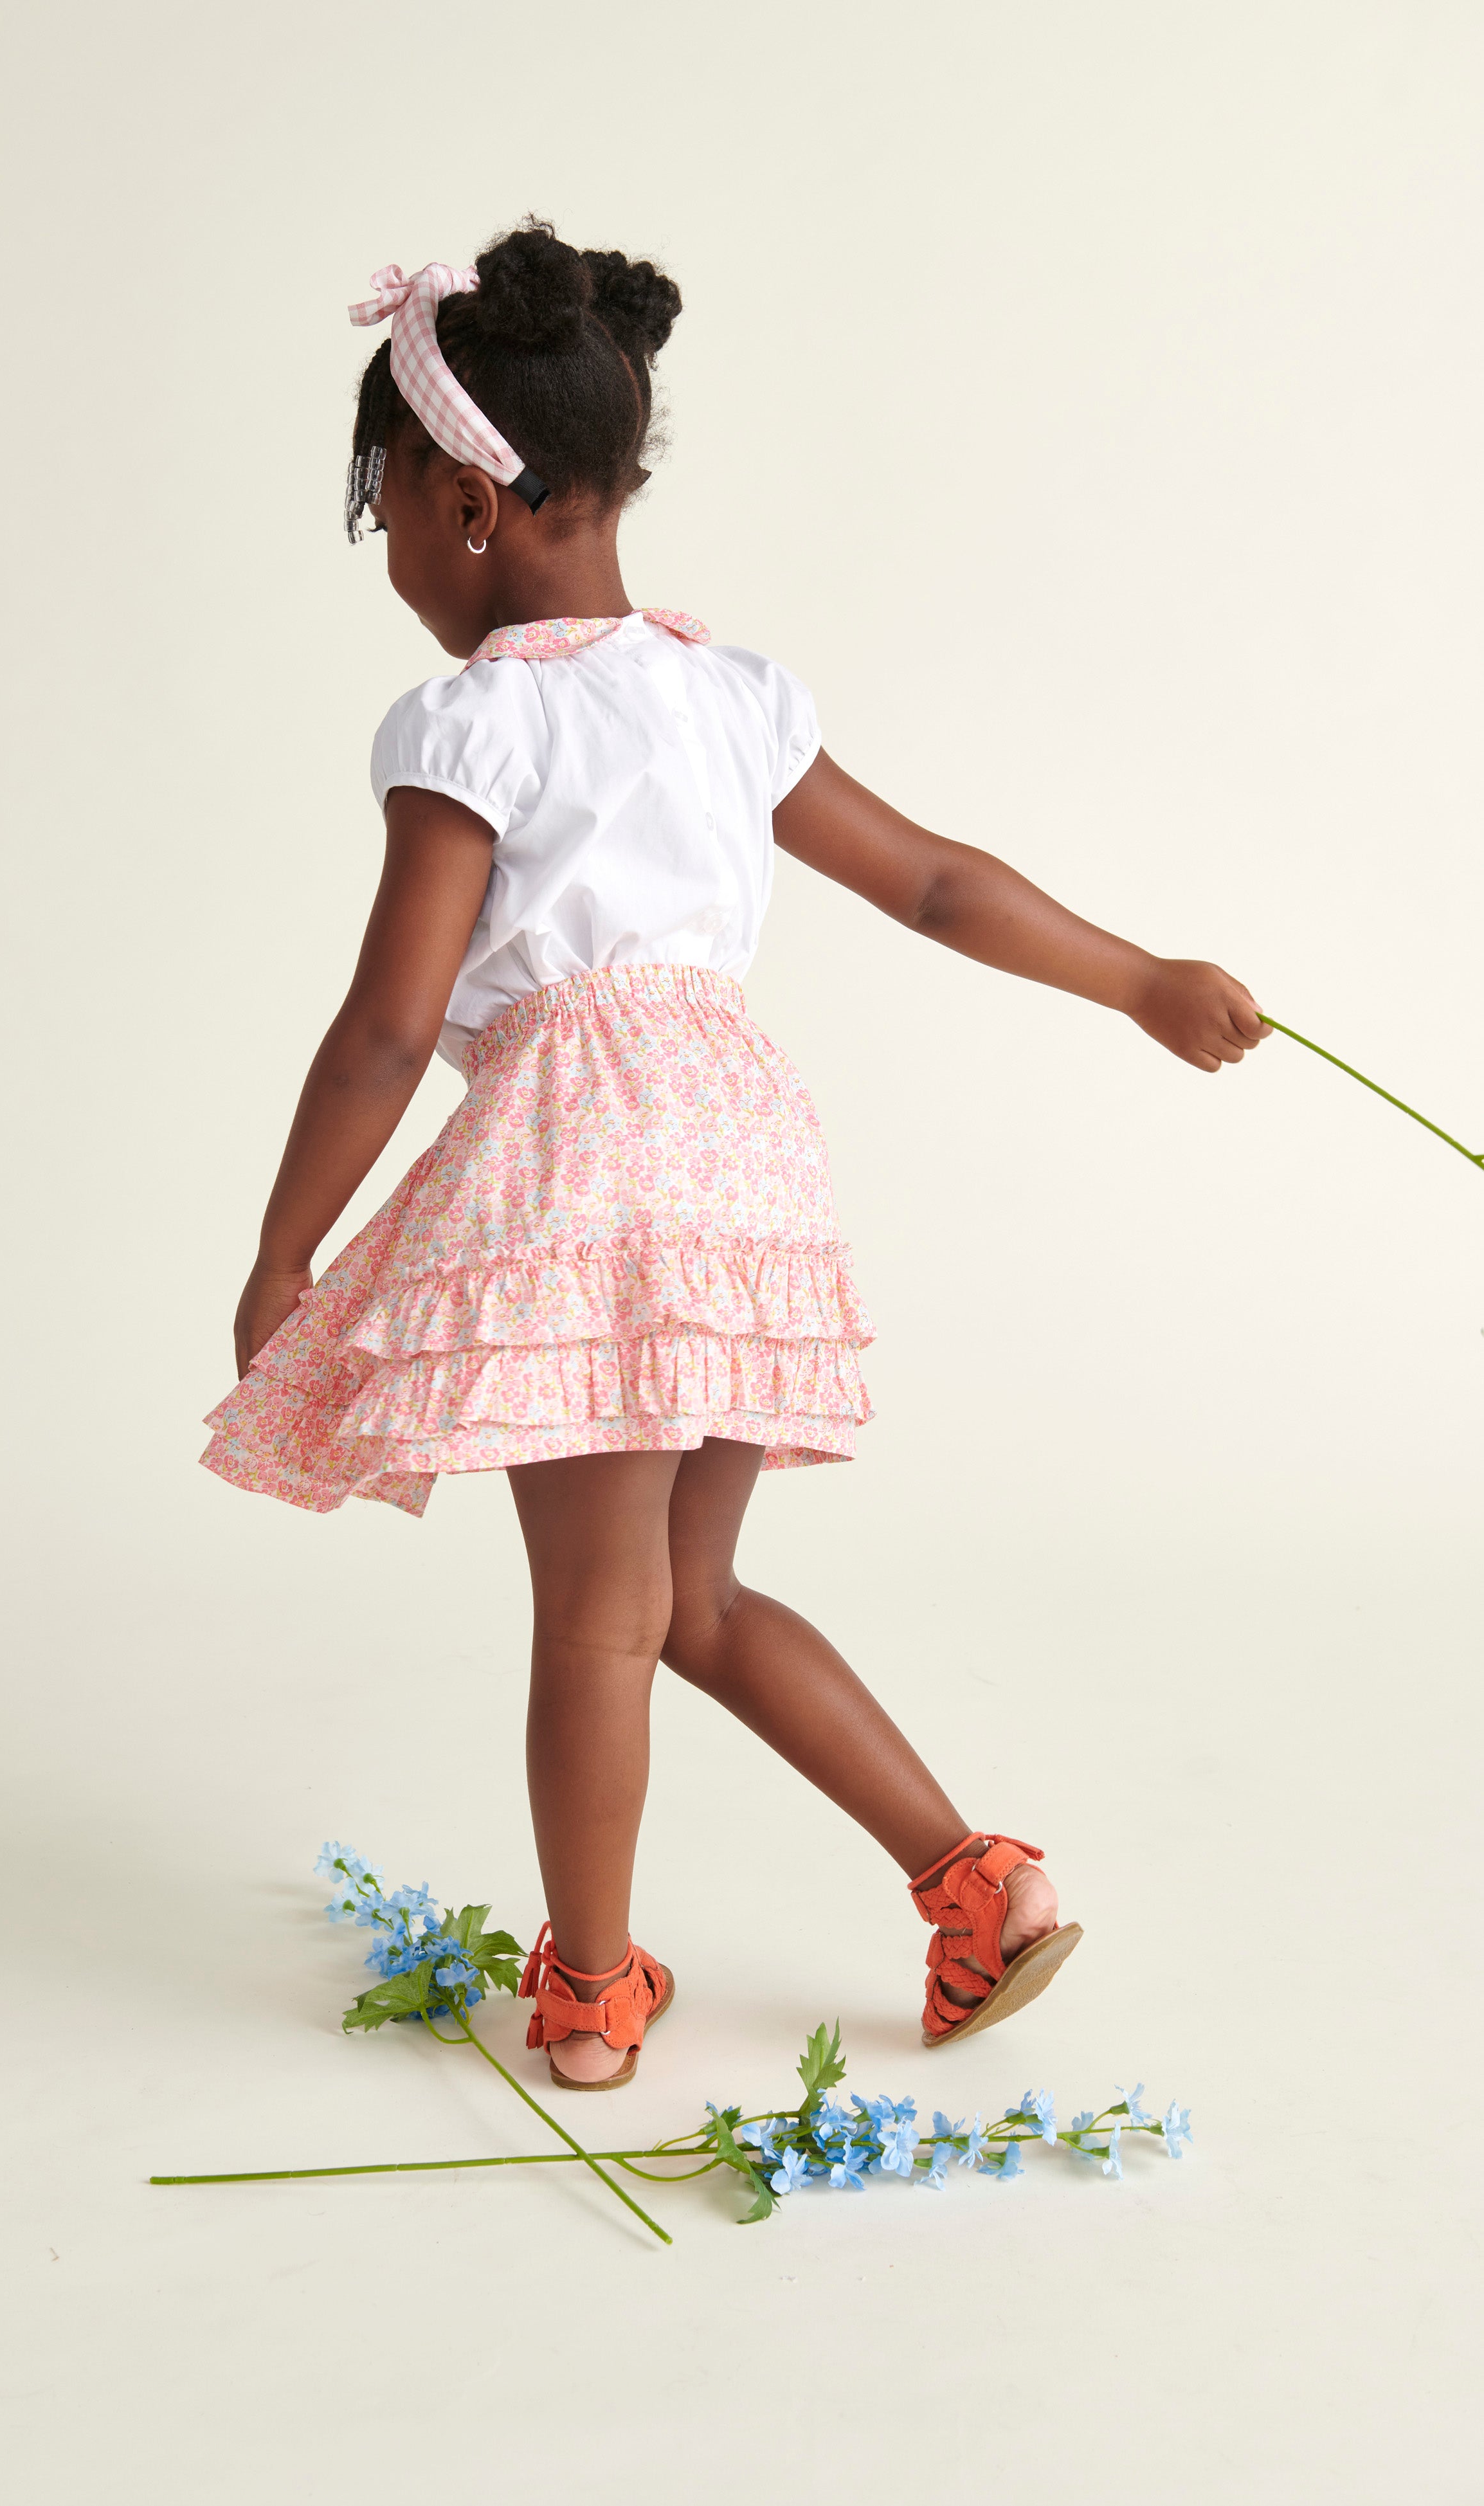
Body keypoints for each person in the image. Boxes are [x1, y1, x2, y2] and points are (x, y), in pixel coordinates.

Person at [203, 221, 1269, 2089]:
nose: (386, 554)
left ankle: (597, 1995)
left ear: (468, 500)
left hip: (585, 1166)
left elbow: (390, 1023)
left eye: (380, 506)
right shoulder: (728, 690)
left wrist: (288, 1247)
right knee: (689, 1603)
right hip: (739, 1158)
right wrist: (1138, 980)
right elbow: (935, 881)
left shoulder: (478, 721)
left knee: (597, 1614)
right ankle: (973, 1877)